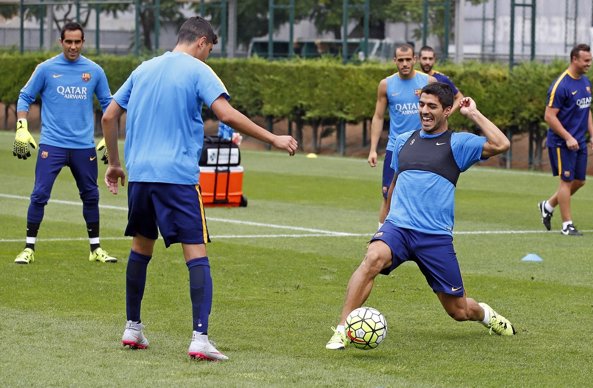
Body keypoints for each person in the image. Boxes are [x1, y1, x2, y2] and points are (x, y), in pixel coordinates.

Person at [101, 16, 298, 361]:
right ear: (203, 42)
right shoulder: (197, 68)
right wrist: (273, 138)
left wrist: (115, 164)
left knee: (140, 250)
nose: (207, 57)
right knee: (196, 253)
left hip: (142, 177)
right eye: (209, 50)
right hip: (177, 177)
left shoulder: (143, 69)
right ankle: (200, 338)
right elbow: (227, 114)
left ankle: (132, 327)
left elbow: (108, 116)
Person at [326, 83, 515, 350]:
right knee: (372, 258)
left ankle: (486, 315)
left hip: (435, 238)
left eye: (432, 107)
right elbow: (393, 187)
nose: (424, 111)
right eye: (422, 105)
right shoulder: (404, 140)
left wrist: (473, 114)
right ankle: (343, 329)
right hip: (399, 229)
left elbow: (501, 144)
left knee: (458, 310)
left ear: (447, 111)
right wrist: (382, 226)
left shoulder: (458, 143)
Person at [12, 22, 115, 264]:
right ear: (61, 42)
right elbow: (25, 96)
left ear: (83, 42)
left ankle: (95, 249)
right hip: (52, 144)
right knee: (39, 195)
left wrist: (107, 137)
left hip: (83, 146)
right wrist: (21, 126)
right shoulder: (46, 69)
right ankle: (28, 249)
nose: (73, 46)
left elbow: (109, 103)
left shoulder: (94, 71)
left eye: (77, 42)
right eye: (68, 41)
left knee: (91, 196)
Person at [537, 43, 593, 236]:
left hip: (579, 141)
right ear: (575, 59)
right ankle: (567, 225)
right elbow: (549, 116)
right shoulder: (561, 85)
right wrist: (568, 137)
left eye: (590, 60)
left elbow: (586, 110)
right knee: (566, 181)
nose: (589, 63)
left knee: (579, 181)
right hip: (561, 142)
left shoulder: (585, 82)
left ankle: (548, 205)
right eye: (586, 60)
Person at [369, 43, 433, 227]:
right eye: (401, 60)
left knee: (421, 194)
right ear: (395, 61)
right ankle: (380, 238)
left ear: (414, 59)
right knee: (387, 193)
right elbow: (378, 116)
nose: (405, 63)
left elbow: (438, 113)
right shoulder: (386, 84)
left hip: (423, 147)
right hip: (395, 147)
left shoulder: (427, 82)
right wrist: (373, 149)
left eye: (408, 59)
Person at [418, 45, 464, 115]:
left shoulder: (442, 78)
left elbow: (460, 97)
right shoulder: (413, 77)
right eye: (424, 58)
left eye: (430, 59)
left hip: (436, 124)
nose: (427, 62)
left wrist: (447, 113)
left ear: (434, 60)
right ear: (419, 59)